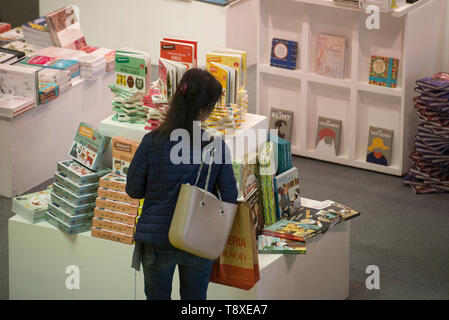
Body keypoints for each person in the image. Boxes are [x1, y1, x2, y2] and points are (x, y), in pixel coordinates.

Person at [126, 68, 238, 300]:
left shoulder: (151, 141)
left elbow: (133, 190)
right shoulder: (216, 147)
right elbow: (230, 197)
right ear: (205, 109)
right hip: (198, 239)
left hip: (156, 240)